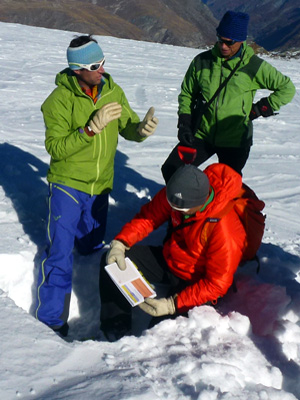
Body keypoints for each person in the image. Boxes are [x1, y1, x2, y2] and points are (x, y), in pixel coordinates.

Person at [35, 35, 158, 336]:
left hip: (100, 187)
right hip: (67, 185)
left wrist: (140, 130)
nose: (102, 69)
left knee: (90, 249)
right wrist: (89, 129)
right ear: (77, 69)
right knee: (60, 253)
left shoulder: (113, 91)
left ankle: (92, 304)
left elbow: (127, 125)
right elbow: (56, 148)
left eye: (103, 61)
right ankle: (51, 322)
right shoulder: (57, 101)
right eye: (95, 65)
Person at [99, 162, 264, 341]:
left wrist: (172, 305)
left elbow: (217, 284)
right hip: (171, 260)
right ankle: (116, 328)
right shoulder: (179, 193)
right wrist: (121, 243)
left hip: (197, 283)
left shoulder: (225, 229)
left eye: (181, 209)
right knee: (113, 264)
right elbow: (149, 217)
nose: (174, 210)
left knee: (159, 334)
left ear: (198, 203)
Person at [161, 10, 296, 183]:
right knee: (171, 170)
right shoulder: (202, 61)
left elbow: (286, 88)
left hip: (235, 140)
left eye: (229, 42)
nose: (223, 46)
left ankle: (212, 208)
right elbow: (187, 94)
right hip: (202, 134)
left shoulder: (253, 66)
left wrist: (259, 109)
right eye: (220, 39)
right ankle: (185, 207)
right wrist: (185, 123)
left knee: (226, 187)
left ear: (241, 41)